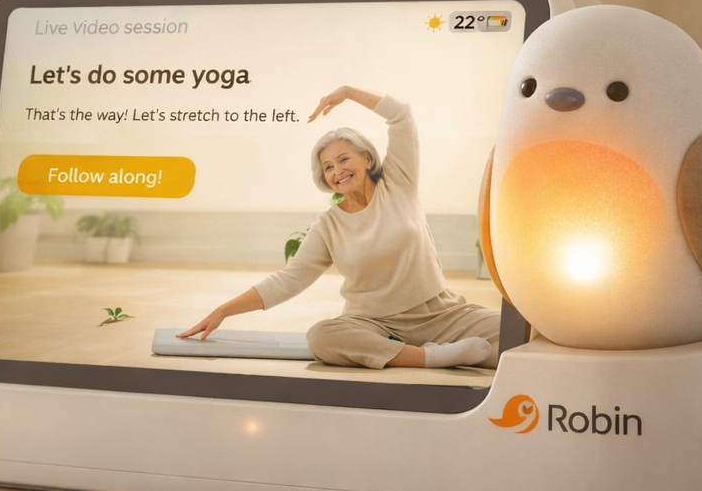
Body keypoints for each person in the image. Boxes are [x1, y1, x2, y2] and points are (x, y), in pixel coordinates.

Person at [178, 85, 498, 370]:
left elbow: (401, 115)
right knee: (323, 337)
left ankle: (435, 351)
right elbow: (290, 279)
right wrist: (223, 310)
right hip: (372, 324)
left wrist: (346, 92)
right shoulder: (328, 225)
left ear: (367, 160)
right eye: (328, 167)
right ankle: (431, 358)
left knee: (518, 336)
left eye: (344, 160)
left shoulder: (398, 182)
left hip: (442, 315)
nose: (337, 171)